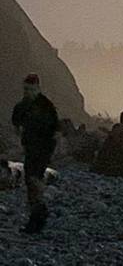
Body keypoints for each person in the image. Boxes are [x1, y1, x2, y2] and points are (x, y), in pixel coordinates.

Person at [11, 73, 60, 234]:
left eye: (31, 89)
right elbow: (16, 124)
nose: (28, 92)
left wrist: (52, 150)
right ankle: (37, 214)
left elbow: (56, 130)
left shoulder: (46, 106)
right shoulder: (22, 106)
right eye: (26, 89)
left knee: (33, 179)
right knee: (30, 182)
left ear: (37, 88)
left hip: (43, 149)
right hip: (30, 148)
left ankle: (39, 212)